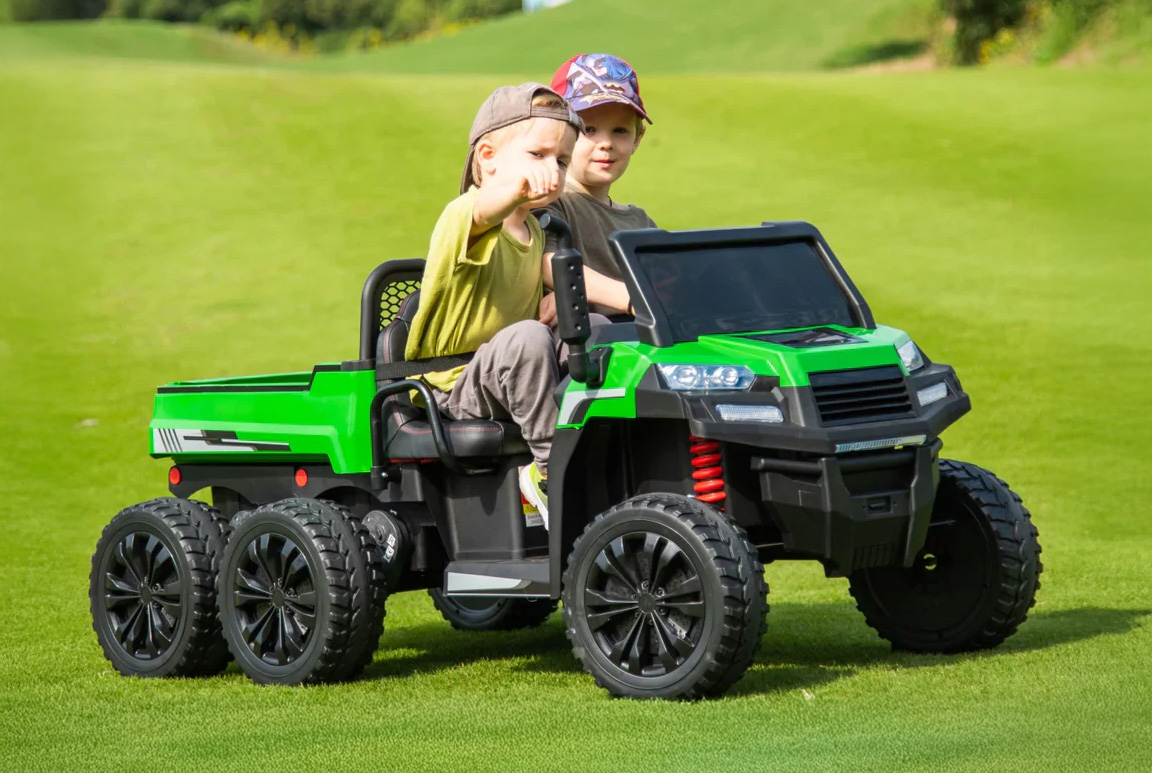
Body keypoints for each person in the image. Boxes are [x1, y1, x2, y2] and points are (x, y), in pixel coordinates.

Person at [403, 83, 583, 525]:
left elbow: (556, 293)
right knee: (526, 338)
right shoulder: (464, 215)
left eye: (561, 161)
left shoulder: (540, 233)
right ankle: (551, 473)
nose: (553, 172)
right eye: (538, 156)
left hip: (508, 380)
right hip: (452, 389)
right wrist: (518, 190)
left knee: (593, 330)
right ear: (487, 158)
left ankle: (601, 451)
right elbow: (487, 211)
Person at [538, 53, 657, 321]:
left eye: (620, 131)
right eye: (588, 129)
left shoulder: (641, 223)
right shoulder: (551, 199)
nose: (606, 143)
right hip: (583, 348)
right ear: (559, 132)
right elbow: (548, 264)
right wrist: (633, 298)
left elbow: (669, 284)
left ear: (638, 138)